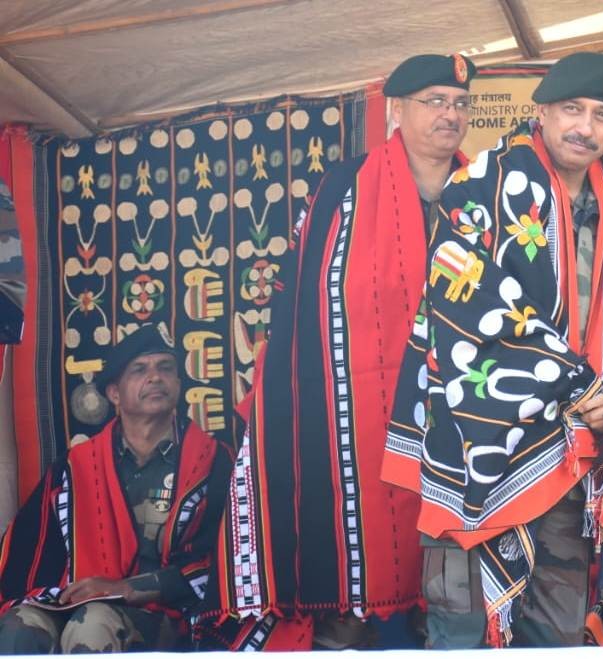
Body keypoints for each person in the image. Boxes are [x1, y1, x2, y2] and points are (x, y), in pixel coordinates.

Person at [193, 53, 476, 650]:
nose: (450, 115)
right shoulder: (342, 190)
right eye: (435, 101)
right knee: (359, 552)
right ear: (395, 109)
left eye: (459, 103)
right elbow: (300, 301)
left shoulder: (483, 189)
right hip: (356, 407)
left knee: (456, 576)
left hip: (463, 407)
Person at [382, 52, 603, 648]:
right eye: (572, 110)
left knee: (557, 628)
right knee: (462, 622)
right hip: (477, 442)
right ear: (541, 111)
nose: (586, 127)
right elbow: (466, 301)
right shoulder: (482, 181)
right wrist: (579, 386)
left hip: (573, 455)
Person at [0, 323, 233, 653]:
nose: (155, 377)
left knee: (93, 622)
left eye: (165, 368)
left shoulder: (214, 462)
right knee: (18, 625)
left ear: (179, 384)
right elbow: (30, 551)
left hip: (169, 616)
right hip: (78, 603)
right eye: (140, 369)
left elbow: (224, 560)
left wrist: (128, 588)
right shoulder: (74, 466)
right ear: (114, 393)